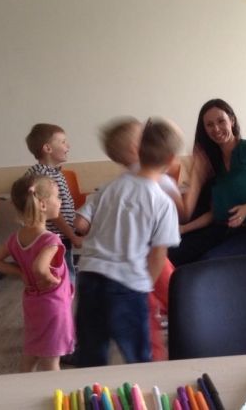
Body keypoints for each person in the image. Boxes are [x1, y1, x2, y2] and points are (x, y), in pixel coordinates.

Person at [73, 118, 182, 367]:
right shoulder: (161, 201)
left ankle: (91, 389)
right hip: (126, 285)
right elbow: (158, 255)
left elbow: (88, 224)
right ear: (171, 159)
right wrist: (144, 287)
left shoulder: (108, 188)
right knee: (138, 357)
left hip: (89, 277)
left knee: (91, 354)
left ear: (137, 152)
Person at [168, 99, 246, 267]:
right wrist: (183, 229)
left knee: (209, 263)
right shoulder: (212, 163)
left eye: (221, 121)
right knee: (171, 254)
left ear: (231, 120)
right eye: (209, 125)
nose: (216, 129)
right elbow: (214, 213)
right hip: (223, 230)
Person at [0, 175, 75, 372]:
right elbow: (39, 268)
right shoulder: (51, 240)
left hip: (32, 304)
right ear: (42, 204)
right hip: (54, 307)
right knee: (51, 361)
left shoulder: (15, 238)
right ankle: (54, 391)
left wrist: (20, 272)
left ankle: (22, 387)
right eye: (57, 197)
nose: (60, 201)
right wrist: (51, 279)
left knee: (31, 354)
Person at [25, 123, 81, 282]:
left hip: (58, 235)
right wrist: (72, 236)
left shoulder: (52, 172)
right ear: (48, 148)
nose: (68, 146)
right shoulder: (43, 176)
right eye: (63, 142)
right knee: (64, 277)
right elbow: (54, 214)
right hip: (55, 237)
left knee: (63, 274)